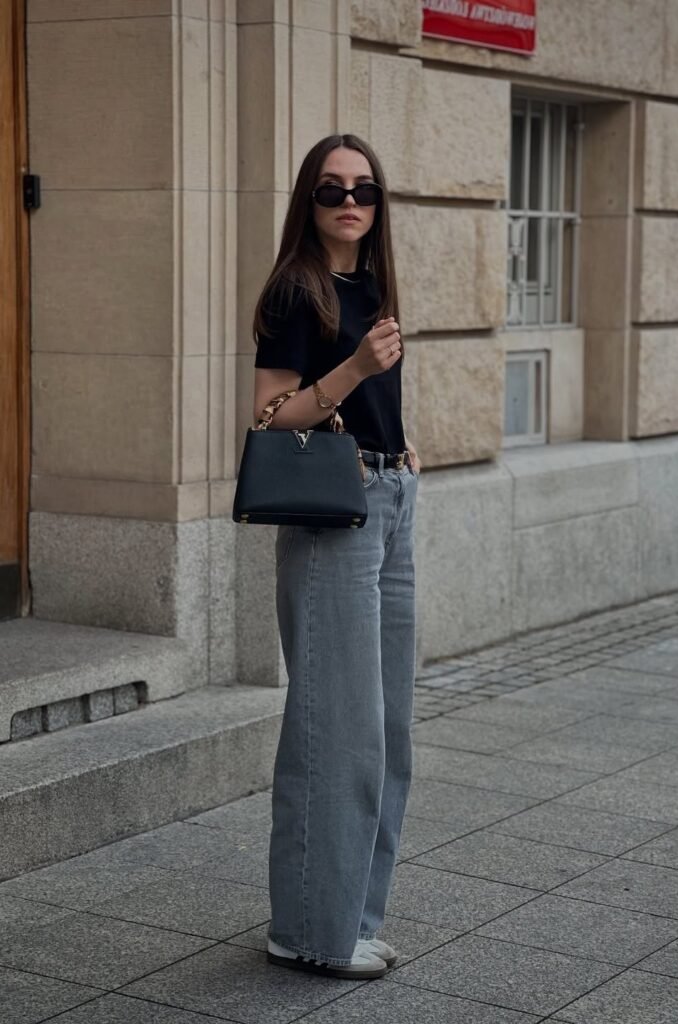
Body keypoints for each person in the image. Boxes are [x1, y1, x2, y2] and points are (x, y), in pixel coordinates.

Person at [251, 133, 421, 981]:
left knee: (386, 730)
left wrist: (401, 444)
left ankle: (347, 915)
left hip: (390, 500)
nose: (348, 201)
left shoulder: (374, 283)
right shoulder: (295, 288)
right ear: (308, 201)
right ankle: (312, 934)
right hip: (331, 520)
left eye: (362, 188)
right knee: (336, 728)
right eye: (329, 188)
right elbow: (268, 413)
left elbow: (376, 394)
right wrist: (354, 369)